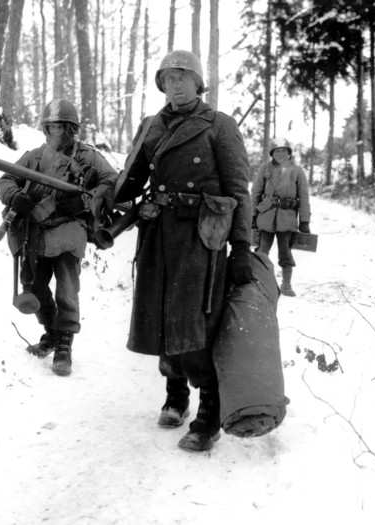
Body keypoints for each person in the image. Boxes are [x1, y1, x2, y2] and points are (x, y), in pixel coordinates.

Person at [115, 50, 253, 452]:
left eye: (182, 77)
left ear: (197, 83)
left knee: (194, 321)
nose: (174, 85)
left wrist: (242, 245)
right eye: (167, 79)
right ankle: (176, 395)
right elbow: (129, 180)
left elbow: (238, 190)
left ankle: (208, 414)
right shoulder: (151, 127)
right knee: (159, 315)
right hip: (157, 232)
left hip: (201, 236)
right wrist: (106, 195)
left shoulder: (219, 126)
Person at [0, 99, 118, 376]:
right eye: (53, 127)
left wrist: (88, 201)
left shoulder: (88, 158)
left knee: (66, 289)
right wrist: (16, 197)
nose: (59, 133)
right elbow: (7, 179)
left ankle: (64, 344)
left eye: (64, 128)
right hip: (35, 232)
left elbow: (111, 181)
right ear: (45, 129)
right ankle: (51, 332)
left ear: (73, 129)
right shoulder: (35, 156)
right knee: (34, 286)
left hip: (69, 230)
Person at [251, 137, 311, 296]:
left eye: (284, 151)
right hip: (266, 216)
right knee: (262, 251)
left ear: (289, 153)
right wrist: (252, 215)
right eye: (277, 151)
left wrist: (304, 220)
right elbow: (255, 193)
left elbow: (304, 197)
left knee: (285, 252)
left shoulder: (297, 171)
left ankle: (286, 284)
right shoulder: (265, 169)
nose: (280, 154)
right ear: (272, 153)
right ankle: (258, 283)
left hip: (287, 218)